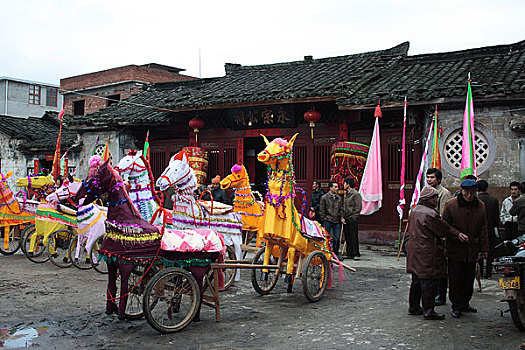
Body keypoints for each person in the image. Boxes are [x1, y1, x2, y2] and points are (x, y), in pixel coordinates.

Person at [407, 186, 458, 320]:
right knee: (428, 282)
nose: (437, 200)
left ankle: (414, 307)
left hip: (415, 250)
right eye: (435, 198)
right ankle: (428, 310)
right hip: (427, 252)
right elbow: (442, 230)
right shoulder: (430, 214)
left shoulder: (415, 210)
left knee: (416, 280)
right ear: (429, 199)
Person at [442, 179, 488, 318]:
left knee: (469, 279)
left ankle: (465, 303)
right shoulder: (451, 205)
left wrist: (484, 249)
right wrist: (457, 234)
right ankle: (456, 305)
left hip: (472, 249)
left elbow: (483, 229)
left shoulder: (480, 206)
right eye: (466, 192)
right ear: (461, 191)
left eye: (472, 192)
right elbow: (444, 226)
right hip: (455, 249)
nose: (469, 195)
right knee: (455, 279)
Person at [426, 168, 452, 306]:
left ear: (439, 180)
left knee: (441, 267)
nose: (429, 180)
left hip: (439, 234)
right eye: (428, 177)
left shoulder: (444, 193)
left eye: (432, 177)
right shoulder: (427, 192)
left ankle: (441, 295)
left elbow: (443, 217)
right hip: (429, 234)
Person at [476, 180, 499, 278]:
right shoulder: (493, 200)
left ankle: (480, 273)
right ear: (486, 188)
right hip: (490, 229)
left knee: (479, 250)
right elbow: (496, 218)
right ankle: (489, 273)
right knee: (490, 252)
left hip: (477, 231)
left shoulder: (475, 200)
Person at [319, 181, 343, 259]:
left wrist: (341, 217)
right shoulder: (324, 197)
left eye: (337, 187)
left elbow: (341, 209)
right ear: (330, 188)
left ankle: (336, 253)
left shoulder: (339, 198)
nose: (337, 188)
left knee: (337, 238)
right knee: (326, 237)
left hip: (337, 220)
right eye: (335, 187)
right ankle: (326, 252)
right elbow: (322, 209)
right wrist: (324, 218)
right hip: (328, 219)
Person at [342, 177, 362, 260]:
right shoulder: (346, 194)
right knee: (347, 236)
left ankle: (356, 253)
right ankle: (349, 252)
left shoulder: (355, 194)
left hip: (352, 218)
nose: (343, 185)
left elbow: (358, 207)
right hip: (346, 217)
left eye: (345, 183)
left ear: (348, 184)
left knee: (353, 236)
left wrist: (354, 217)